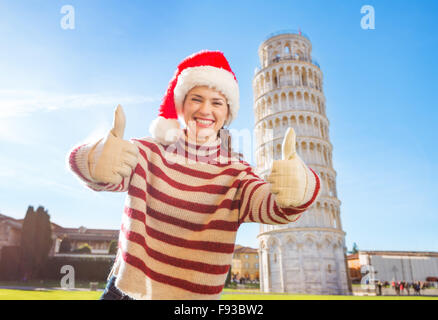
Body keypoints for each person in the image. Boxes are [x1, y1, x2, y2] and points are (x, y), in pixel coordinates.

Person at [67, 50, 321, 300]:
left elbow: (272, 207)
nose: (205, 110)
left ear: (227, 113)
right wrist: (94, 160)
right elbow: (104, 175)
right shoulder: (149, 150)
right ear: (182, 105)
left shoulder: (236, 172)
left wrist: (300, 189)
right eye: (196, 99)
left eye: (217, 102)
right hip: (127, 293)